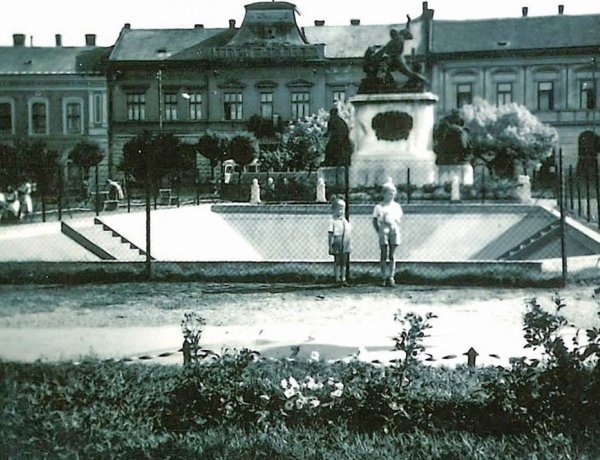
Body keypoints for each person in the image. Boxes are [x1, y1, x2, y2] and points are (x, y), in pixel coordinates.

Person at [372, 180, 403, 287]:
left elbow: (398, 219)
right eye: (389, 193)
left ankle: (391, 276)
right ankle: (383, 276)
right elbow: (375, 220)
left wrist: (395, 228)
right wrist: (379, 230)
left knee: (392, 255)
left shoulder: (396, 206)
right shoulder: (379, 207)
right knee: (384, 254)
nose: (391, 195)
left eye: (393, 193)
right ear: (383, 194)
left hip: (393, 229)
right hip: (383, 230)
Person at [328, 196, 351, 287]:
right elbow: (330, 234)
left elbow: (348, 230)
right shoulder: (332, 221)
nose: (341, 212)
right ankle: (337, 279)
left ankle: (343, 278)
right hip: (337, 240)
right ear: (334, 210)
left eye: (343, 209)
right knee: (337, 261)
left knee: (344, 261)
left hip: (345, 241)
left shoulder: (344, 221)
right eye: (339, 209)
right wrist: (330, 246)